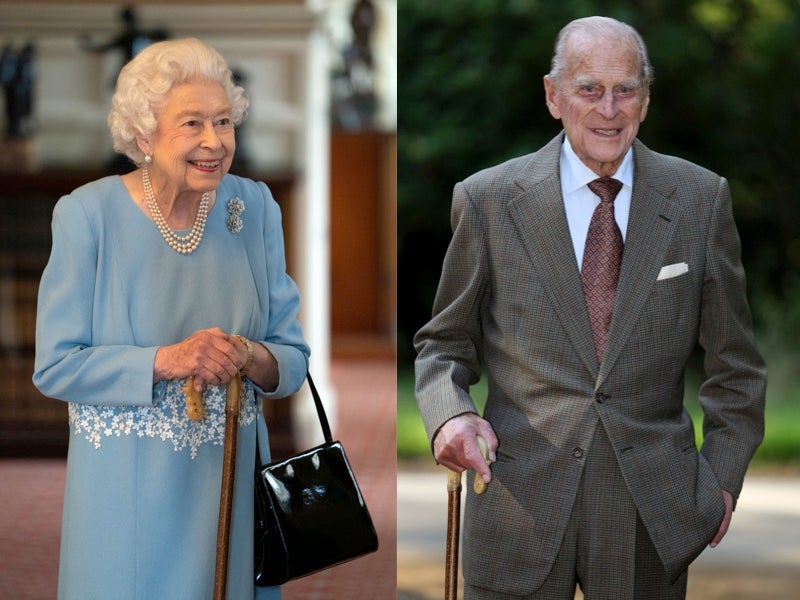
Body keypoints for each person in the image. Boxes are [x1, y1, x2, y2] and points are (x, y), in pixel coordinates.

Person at [414, 16, 766, 600]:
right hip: (515, 509)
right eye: (589, 89)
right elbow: (443, 345)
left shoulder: (702, 201)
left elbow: (738, 371)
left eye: (625, 89)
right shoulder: (487, 201)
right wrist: (448, 415)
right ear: (554, 96)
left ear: (646, 100)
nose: (609, 108)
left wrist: (720, 481)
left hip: (652, 515)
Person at [33, 38, 309, 600]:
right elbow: (55, 367)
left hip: (229, 489)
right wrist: (168, 360)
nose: (214, 141)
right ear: (143, 134)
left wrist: (248, 355)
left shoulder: (253, 208)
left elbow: (293, 358)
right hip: (126, 495)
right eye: (192, 124)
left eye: (224, 122)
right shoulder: (88, 216)